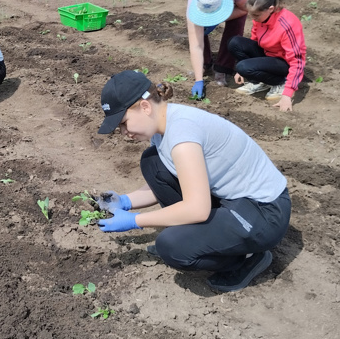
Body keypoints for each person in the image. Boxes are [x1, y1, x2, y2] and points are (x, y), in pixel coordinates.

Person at [94, 70, 291, 293]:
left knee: (172, 246)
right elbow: (172, 179)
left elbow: (197, 209)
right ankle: (201, 238)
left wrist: (134, 220)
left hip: (265, 213)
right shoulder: (163, 128)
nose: (123, 133)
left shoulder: (182, 135)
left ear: (145, 107)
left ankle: (245, 260)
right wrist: (126, 201)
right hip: (233, 200)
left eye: (123, 123)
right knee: (153, 164)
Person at [186, 0, 254, 99]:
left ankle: (224, 67)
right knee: (200, 27)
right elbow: (195, 45)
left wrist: (220, 18)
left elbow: (247, 9)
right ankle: (204, 64)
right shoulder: (194, 2)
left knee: (235, 25)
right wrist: (199, 80)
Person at [229, 0, 307, 112]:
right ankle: (259, 82)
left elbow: (297, 61)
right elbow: (255, 39)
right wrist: (243, 69)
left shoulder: (287, 25)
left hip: (283, 63)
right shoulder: (260, 18)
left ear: (270, 9)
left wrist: (287, 95)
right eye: (251, 14)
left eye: (256, 15)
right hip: (268, 54)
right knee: (235, 42)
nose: (252, 18)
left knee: (243, 66)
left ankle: (280, 82)